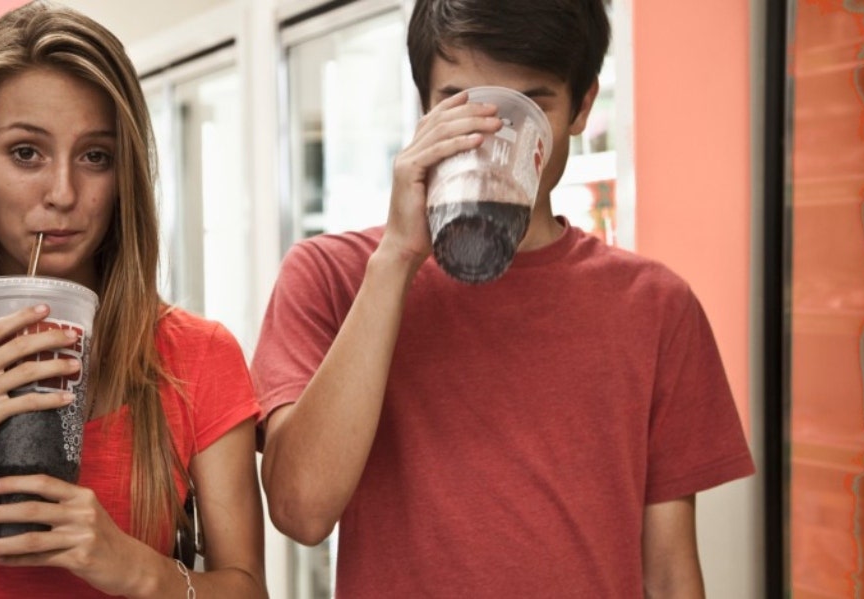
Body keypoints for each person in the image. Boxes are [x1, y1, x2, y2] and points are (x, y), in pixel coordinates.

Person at [251, 0, 755, 596]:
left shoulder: (655, 305)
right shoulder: (332, 275)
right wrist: (394, 260)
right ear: (424, 106)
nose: (492, 130)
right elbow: (300, 511)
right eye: (460, 103)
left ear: (583, 106)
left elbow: (669, 570)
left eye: (532, 103)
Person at [0, 3, 266, 597]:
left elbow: (249, 589)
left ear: (125, 174)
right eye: (26, 153)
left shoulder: (197, 357)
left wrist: (138, 568)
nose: (63, 193)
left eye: (95, 156)